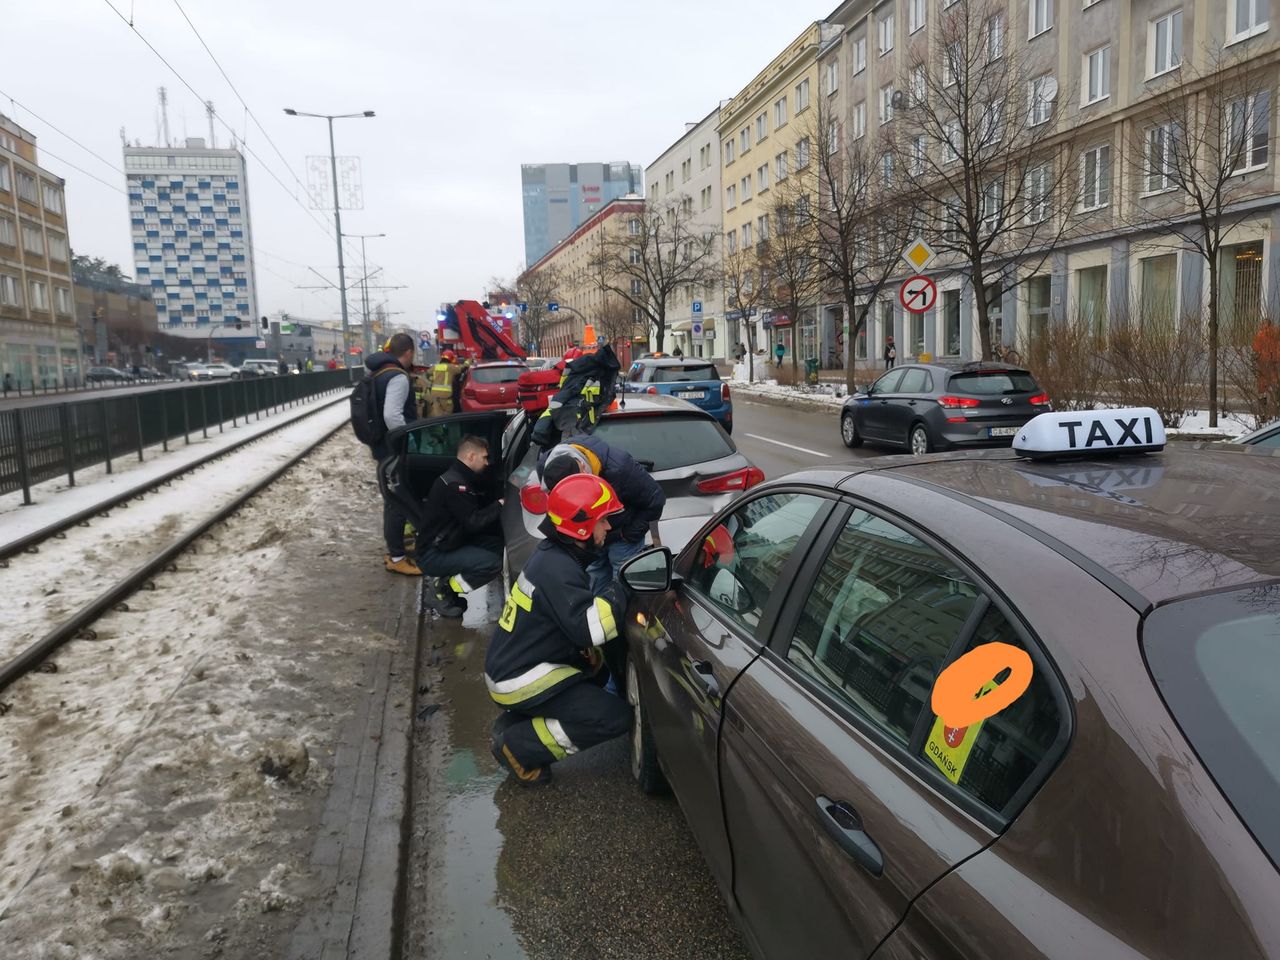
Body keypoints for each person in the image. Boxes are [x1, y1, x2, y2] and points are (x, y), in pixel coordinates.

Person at [484, 473, 631, 786]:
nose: (608, 527)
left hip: (513, 668)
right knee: (614, 718)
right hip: (519, 679)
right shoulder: (559, 568)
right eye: (603, 520)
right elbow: (593, 629)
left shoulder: (554, 555)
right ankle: (519, 747)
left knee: (597, 673)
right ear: (581, 527)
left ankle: (512, 727)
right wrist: (620, 590)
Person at [538, 433, 665, 595]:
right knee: (592, 583)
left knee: (625, 586)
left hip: (623, 535)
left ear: (583, 468)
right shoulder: (546, 467)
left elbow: (656, 500)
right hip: (587, 536)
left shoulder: (619, 468)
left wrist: (628, 534)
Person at [417, 435, 505, 617]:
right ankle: (443, 590)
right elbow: (473, 522)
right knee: (492, 564)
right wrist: (500, 505)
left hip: (447, 543)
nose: (487, 463)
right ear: (471, 456)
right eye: (484, 457)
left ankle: (447, 583)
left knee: (496, 546)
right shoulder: (456, 485)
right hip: (433, 554)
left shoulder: (458, 477)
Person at [365, 333, 422, 576]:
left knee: (394, 499)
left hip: (381, 446)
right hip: (394, 447)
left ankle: (398, 547)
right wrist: (404, 441)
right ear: (408, 352)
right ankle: (397, 556)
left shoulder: (378, 373)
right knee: (396, 502)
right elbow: (392, 415)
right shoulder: (398, 376)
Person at [428, 350, 465, 417]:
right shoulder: (450, 367)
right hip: (446, 397)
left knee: (437, 414)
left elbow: (428, 374)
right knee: (448, 414)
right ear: (450, 358)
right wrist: (467, 363)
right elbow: (460, 368)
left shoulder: (435, 367)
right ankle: (446, 425)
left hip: (435, 396)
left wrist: (432, 379)